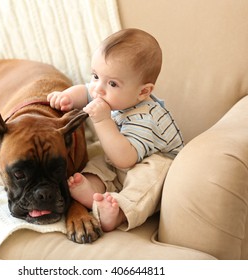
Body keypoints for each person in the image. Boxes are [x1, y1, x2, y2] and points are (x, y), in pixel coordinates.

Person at [47, 28, 184, 232]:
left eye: (112, 83)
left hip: (156, 161)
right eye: (95, 76)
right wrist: (66, 97)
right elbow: (85, 91)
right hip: (120, 156)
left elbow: (125, 160)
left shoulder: (145, 117)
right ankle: (91, 190)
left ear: (143, 91)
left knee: (145, 181)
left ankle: (119, 212)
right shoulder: (107, 93)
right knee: (98, 162)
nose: (98, 89)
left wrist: (103, 121)